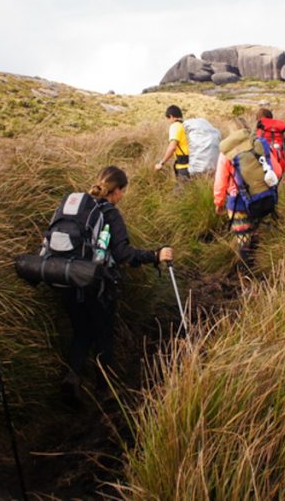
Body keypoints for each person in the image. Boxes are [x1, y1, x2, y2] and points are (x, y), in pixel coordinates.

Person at [60, 165, 174, 403]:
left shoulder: (81, 207)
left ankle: (72, 376)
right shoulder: (110, 213)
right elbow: (123, 254)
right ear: (119, 190)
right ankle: (105, 390)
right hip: (96, 284)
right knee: (103, 335)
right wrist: (155, 255)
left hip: (67, 279)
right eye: (123, 191)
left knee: (81, 332)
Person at [213, 125, 283, 272]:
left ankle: (245, 276)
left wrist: (219, 203)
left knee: (243, 241)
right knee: (256, 233)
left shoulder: (226, 154)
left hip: (238, 205)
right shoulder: (259, 145)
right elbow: (277, 171)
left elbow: (220, 184)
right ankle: (259, 267)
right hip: (261, 198)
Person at [154, 104, 190, 179]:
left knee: (181, 190)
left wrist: (161, 163)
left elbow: (172, 147)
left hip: (183, 167)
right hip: (194, 164)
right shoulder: (186, 126)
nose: (169, 121)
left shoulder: (175, 126)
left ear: (171, 116)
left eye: (168, 118)